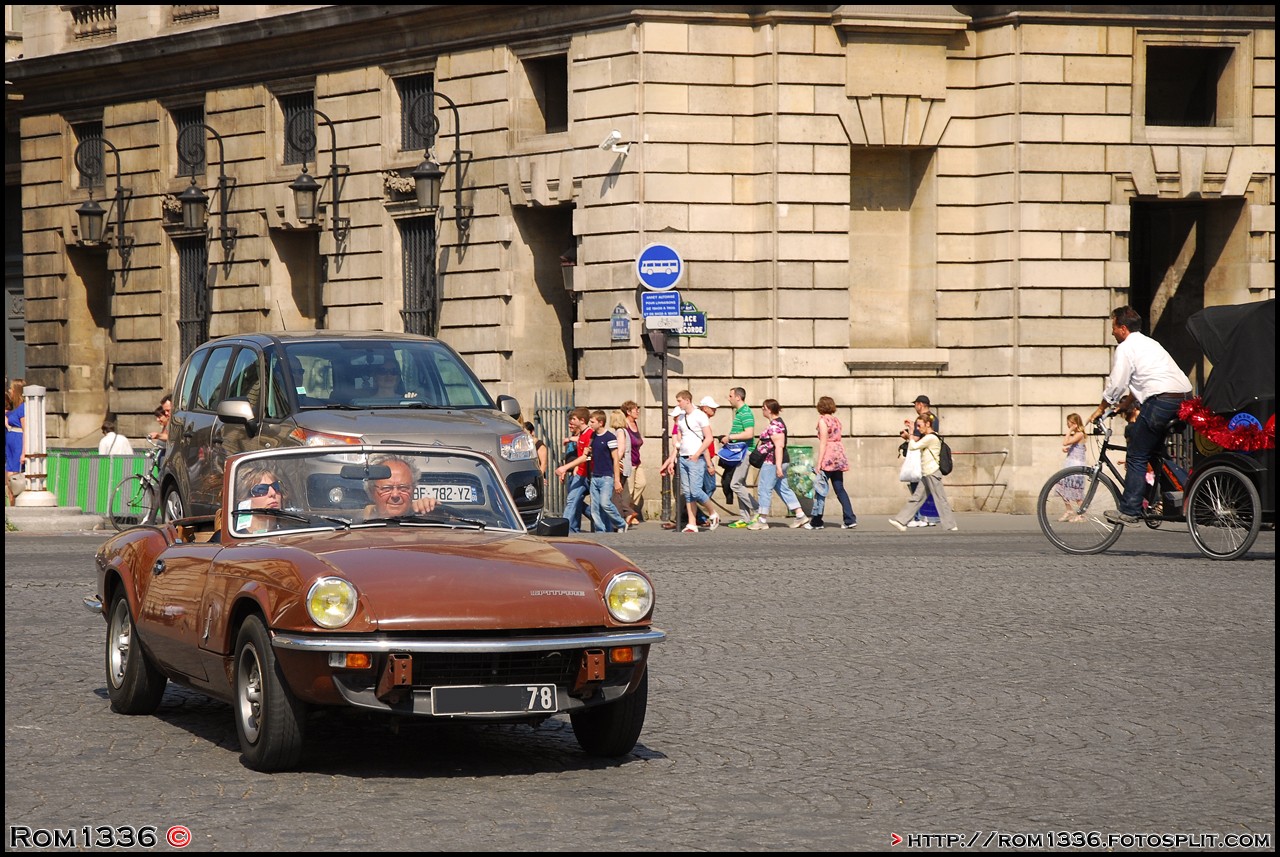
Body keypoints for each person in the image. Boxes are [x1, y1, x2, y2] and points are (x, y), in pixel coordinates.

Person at [1087, 305, 1192, 525]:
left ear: (1123, 328)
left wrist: (1101, 409)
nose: (1112, 332)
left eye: (1114, 327)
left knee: (1136, 454)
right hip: (1181, 398)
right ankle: (1169, 498)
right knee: (1155, 453)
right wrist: (1126, 404)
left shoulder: (1126, 348)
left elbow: (1117, 384)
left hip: (1161, 400)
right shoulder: (1149, 343)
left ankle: (1131, 509)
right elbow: (1144, 380)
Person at [660, 390, 719, 533]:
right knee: (687, 493)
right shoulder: (680, 418)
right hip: (683, 457)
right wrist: (673, 460)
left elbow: (709, 438)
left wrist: (698, 453)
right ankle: (692, 523)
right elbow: (679, 442)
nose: (678, 403)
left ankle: (713, 513)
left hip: (696, 458)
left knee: (696, 491)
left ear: (687, 400)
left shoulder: (700, 416)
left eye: (679, 400)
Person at [889, 415, 958, 532]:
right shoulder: (928, 437)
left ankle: (951, 525)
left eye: (919, 426)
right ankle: (901, 521)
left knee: (940, 500)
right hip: (927, 473)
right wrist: (911, 430)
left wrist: (911, 432)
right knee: (916, 498)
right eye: (917, 426)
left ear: (927, 424)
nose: (918, 428)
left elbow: (913, 446)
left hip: (932, 472)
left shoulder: (931, 438)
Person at [748, 399, 808, 530]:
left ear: (769, 409)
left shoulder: (775, 426)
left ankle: (762, 520)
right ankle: (800, 515)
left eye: (763, 408)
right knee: (783, 488)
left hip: (773, 462)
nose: (762, 410)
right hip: (777, 461)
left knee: (764, 489)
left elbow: (779, 446)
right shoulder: (776, 424)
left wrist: (779, 466)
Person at [808, 396, 856, 529]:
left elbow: (823, 442)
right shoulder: (836, 420)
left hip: (828, 455)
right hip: (838, 454)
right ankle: (850, 518)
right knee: (839, 488)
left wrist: (819, 463)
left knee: (820, 489)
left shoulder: (823, 421)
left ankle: (816, 521)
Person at [577, 410, 628, 534]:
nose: (590, 424)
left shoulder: (610, 437)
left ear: (600, 423)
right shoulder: (593, 436)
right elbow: (589, 451)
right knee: (595, 508)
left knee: (605, 503)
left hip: (606, 477)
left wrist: (616, 480)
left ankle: (621, 523)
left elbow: (615, 459)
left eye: (592, 422)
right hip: (595, 476)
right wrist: (587, 451)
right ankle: (601, 531)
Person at [899, 395, 940, 527]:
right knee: (928, 488)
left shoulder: (921, 419)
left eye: (915, 404)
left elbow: (916, 439)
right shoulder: (934, 418)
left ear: (920, 405)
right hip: (931, 457)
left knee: (917, 486)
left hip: (920, 457)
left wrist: (908, 435)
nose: (915, 407)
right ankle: (929, 518)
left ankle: (918, 517)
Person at [553, 407, 593, 533]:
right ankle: (569, 528)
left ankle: (609, 523)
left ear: (582, 420)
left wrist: (566, 467)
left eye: (573, 419)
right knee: (573, 500)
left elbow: (584, 457)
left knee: (595, 504)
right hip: (580, 474)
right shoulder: (581, 434)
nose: (571, 422)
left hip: (588, 474)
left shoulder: (589, 433)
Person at [721, 386, 757, 527]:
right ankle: (745, 518)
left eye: (730, 396)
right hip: (738, 453)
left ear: (738, 397)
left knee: (735, 484)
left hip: (744, 452)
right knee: (740, 484)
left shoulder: (746, 413)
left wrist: (730, 437)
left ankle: (758, 509)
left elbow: (749, 434)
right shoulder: (739, 412)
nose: (728, 399)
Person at [364, 454, 439, 518]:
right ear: (372, 492)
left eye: (403, 488)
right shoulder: (357, 523)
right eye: (387, 488)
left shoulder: (425, 518)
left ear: (413, 490)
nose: (395, 495)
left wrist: (432, 510)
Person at [1054, 412, 1087, 522]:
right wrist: (1070, 449)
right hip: (1071, 463)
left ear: (1074, 423)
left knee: (1076, 492)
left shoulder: (1080, 434)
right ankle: (1069, 510)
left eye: (1069, 423)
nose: (1068, 425)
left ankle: (1081, 514)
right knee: (1062, 488)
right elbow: (1083, 448)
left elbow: (1065, 442)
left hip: (1075, 465)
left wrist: (1069, 431)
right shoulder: (1078, 435)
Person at [608, 409, 639, 525]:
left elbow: (620, 450)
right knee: (619, 494)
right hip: (623, 466)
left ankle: (621, 517)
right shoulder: (621, 431)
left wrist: (614, 462)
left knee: (615, 494)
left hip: (620, 466)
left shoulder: (620, 432)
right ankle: (627, 513)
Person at [236, 465, 287, 534]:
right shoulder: (231, 536)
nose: (273, 493)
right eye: (261, 489)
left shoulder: (293, 532)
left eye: (276, 487)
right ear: (244, 499)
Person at [621, 400, 645, 524]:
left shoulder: (635, 423)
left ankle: (630, 510)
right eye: (636, 409)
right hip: (628, 462)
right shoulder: (624, 424)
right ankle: (627, 514)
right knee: (628, 490)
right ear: (628, 412)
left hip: (637, 461)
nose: (638, 411)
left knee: (641, 484)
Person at [6, 379, 25, 506]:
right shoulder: (15, 408)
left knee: (14, 480)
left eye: (11, 389)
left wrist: (23, 452)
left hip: (17, 444)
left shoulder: (23, 408)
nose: (9, 392)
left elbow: (25, 429)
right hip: (10, 446)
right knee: (9, 480)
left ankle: (15, 509)